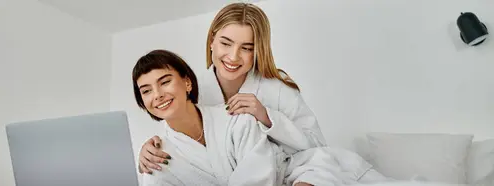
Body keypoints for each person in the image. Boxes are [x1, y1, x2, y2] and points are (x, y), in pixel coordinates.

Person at [132, 49, 391, 186]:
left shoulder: (236, 119)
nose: (158, 95)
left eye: (165, 82)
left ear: (187, 83)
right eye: (146, 91)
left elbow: (258, 177)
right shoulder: (156, 157)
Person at [138, 2, 326, 174]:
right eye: (225, 43)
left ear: (258, 50)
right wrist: (149, 150)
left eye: (247, 48)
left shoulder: (277, 87)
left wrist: (267, 117)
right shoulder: (192, 89)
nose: (233, 57)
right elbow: (178, 138)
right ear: (212, 41)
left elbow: (318, 149)